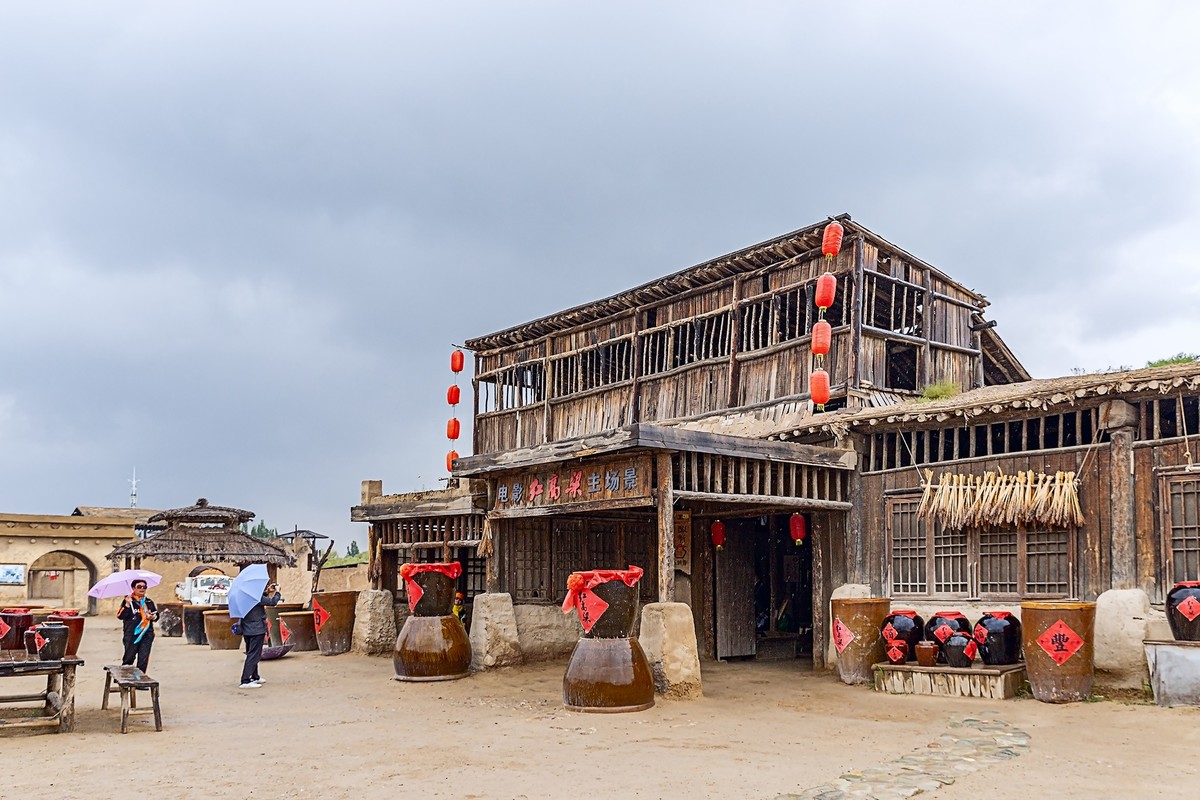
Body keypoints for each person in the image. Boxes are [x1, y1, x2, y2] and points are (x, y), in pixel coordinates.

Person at [238, 581, 281, 689]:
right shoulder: (255, 596)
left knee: (252, 653)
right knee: (254, 654)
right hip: (256, 629)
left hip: (247, 629)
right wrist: (277, 592)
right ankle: (245, 680)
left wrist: (267, 591)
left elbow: (261, 600)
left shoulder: (245, 596)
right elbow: (272, 602)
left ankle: (255, 676)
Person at [117, 579, 158, 672]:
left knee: (143, 658)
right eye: (139, 587)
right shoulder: (128, 601)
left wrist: (152, 616)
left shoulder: (148, 602)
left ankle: (140, 681)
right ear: (133, 588)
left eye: (144, 587)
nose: (142, 589)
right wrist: (127, 604)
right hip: (131, 634)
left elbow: (156, 615)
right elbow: (120, 616)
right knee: (129, 658)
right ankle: (125, 679)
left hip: (147, 634)